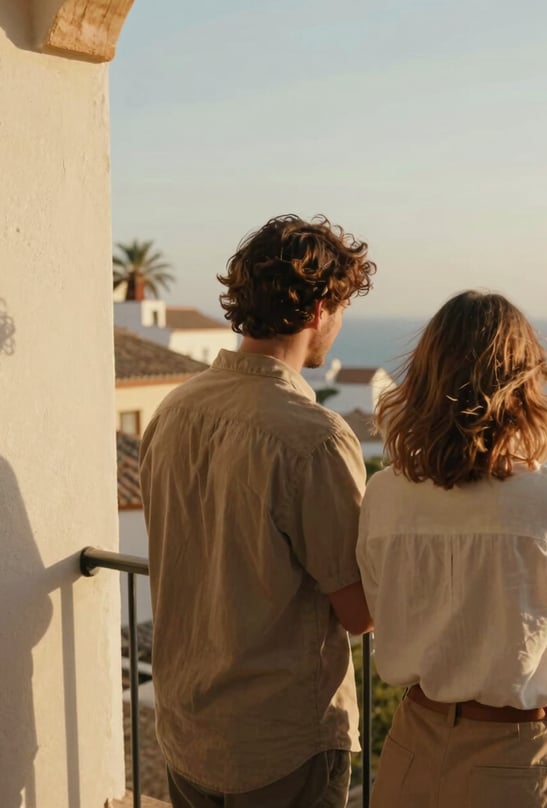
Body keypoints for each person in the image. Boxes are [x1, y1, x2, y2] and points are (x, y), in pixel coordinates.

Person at [356, 290, 547, 808]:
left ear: (424, 381)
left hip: (411, 746)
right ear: (524, 384)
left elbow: (377, 608)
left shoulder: (385, 493)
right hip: (515, 760)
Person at [139, 214, 376, 808]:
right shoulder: (315, 437)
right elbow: (361, 610)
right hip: (281, 747)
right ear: (319, 309)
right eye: (341, 310)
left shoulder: (173, 411)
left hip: (187, 726)